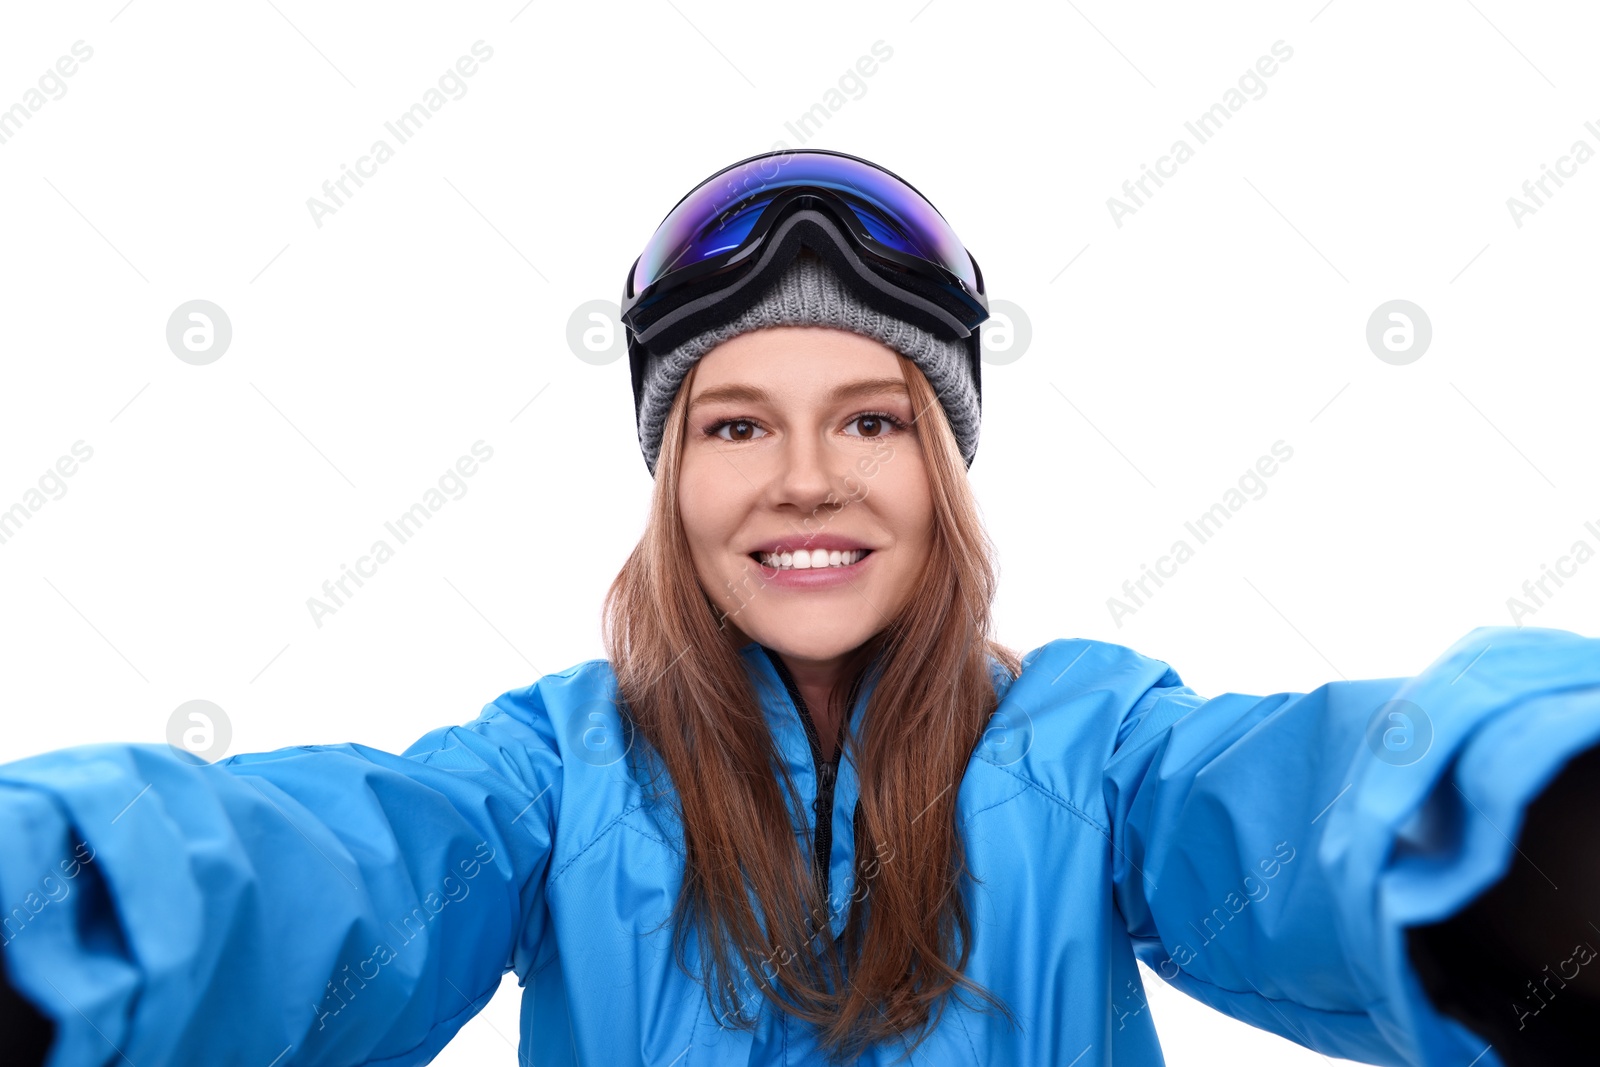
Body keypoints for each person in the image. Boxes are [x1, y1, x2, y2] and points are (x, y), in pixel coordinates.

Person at [0, 149, 1596, 1067]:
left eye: (874, 418)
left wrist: (1549, 836)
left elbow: (1314, 815)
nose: (806, 479)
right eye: (738, 422)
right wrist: (49, 912)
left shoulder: (1097, 754)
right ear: (675, 478)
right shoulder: (551, 777)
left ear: (941, 470)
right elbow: (318, 876)